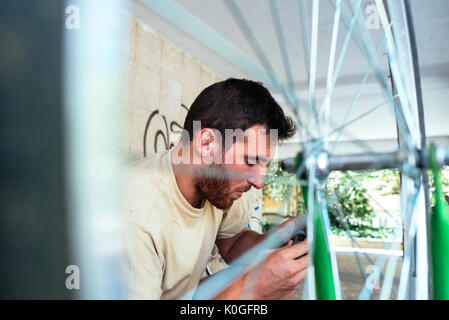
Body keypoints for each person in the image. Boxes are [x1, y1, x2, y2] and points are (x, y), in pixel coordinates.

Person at [123, 78, 309, 300]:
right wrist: (251, 291)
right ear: (206, 144)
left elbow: (234, 243)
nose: (259, 182)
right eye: (250, 161)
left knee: (278, 292)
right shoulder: (133, 217)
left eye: (264, 165)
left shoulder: (219, 185)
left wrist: (278, 237)